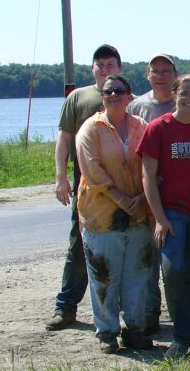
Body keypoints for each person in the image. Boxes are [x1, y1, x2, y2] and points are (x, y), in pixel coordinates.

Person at [139, 74, 190, 358]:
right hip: (172, 214)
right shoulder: (158, 128)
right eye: (184, 93)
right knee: (173, 271)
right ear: (174, 94)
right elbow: (148, 176)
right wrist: (160, 218)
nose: (189, 99)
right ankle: (181, 337)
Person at [127, 53, 190, 335]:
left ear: (174, 76)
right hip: (152, 197)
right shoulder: (137, 106)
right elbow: (136, 155)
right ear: (148, 75)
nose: (160, 75)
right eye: (155, 71)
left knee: (187, 266)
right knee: (154, 261)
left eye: (166, 70)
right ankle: (152, 313)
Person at [75, 75, 154, 353]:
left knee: (138, 274)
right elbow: (91, 168)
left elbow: (151, 164)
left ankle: (135, 329)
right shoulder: (90, 128)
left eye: (119, 90)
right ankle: (107, 331)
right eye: (108, 91)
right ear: (102, 96)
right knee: (104, 275)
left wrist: (143, 197)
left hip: (140, 213)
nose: (113, 95)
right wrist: (120, 198)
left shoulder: (141, 126)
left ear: (129, 95)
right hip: (102, 214)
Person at [46, 44, 122, 331]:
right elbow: (64, 139)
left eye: (110, 65)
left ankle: (132, 313)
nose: (105, 70)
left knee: (125, 249)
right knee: (78, 248)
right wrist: (60, 177)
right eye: (100, 65)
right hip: (87, 190)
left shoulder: (129, 98)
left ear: (119, 68)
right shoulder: (78, 97)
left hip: (124, 189)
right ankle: (65, 308)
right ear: (93, 68)